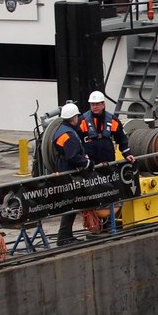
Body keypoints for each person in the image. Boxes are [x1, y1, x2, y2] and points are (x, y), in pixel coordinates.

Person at [54, 102, 93, 246]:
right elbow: (72, 157)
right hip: (69, 173)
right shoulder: (69, 135)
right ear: (73, 118)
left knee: (71, 205)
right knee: (70, 205)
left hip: (63, 170)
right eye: (76, 116)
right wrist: (87, 163)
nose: (78, 119)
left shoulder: (61, 129)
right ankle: (63, 238)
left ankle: (67, 236)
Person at [78, 91, 135, 166]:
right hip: (90, 161)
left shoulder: (113, 120)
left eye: (97, 104)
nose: (95, 107)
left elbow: (122, 138)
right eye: (92, 104)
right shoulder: (82, 121)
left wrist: (127, 154)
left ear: (103, 105)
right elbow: (76, 141)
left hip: (108, 159)